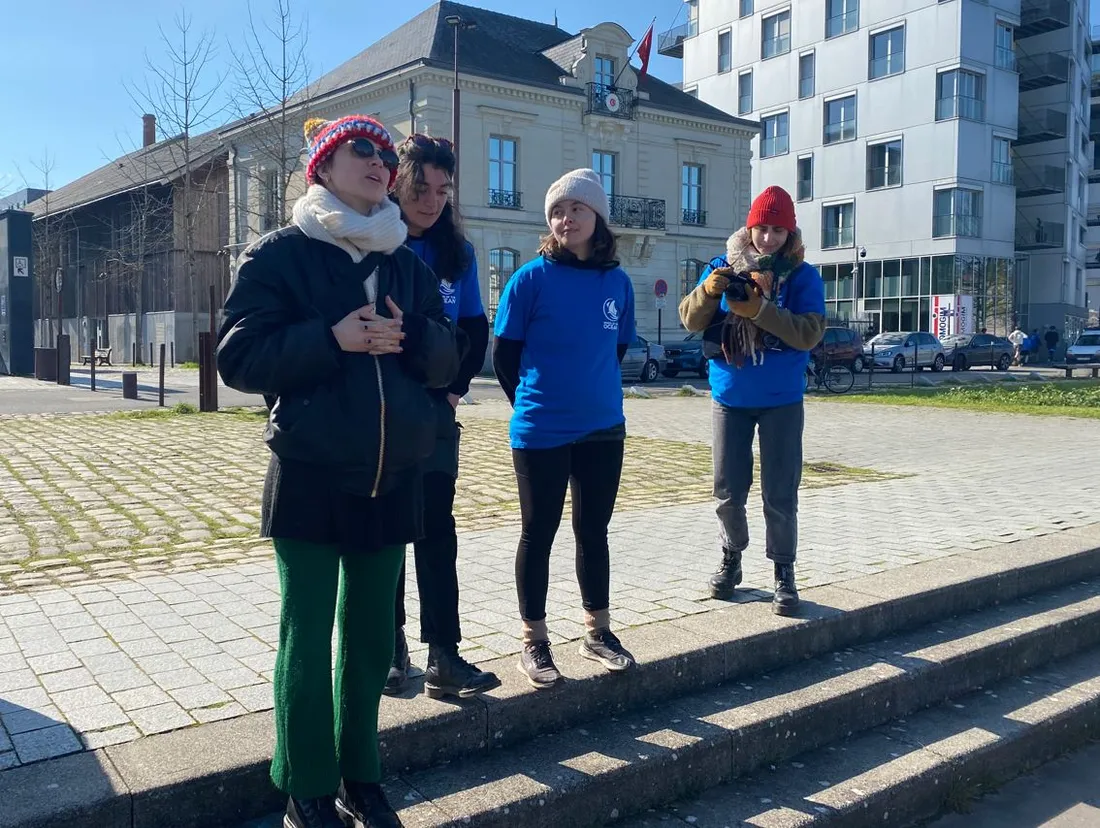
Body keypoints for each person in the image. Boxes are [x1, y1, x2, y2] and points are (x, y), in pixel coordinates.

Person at [217, 115, 462, 828]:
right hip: (310, 477)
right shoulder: (280, 256)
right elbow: (239, 357)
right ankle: (306, 786)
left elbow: (449, 358)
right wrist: (333, 339)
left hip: (393, 478)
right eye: (363, 149)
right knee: (307, 635)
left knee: (368, 648)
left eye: (388, 153)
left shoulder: (410, 264)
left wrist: (413, 337)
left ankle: (363, 777)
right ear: (322, 166)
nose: (381, 161)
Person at [493, 168, 637, 689]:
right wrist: (537, 403)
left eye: (576, 208)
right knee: (539, 532)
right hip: (541, 430)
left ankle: (597, 631)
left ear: (597, 217)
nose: (565, 218)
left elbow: (616, 349)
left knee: (592, 531)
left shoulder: (616, 283)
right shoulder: (529, 278)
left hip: (603, 428)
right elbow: (505, 356)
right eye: (557, 210)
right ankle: (534, 640)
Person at [384, 133, 500, 700]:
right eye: (420, 187)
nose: (432, 201)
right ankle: (390, 646)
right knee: (387, 532)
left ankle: (444, 656)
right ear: (396, 183)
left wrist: (453, 395)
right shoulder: (377, 242)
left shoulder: (458, 253)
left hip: (434, 418)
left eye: (443, 190)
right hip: (381, 416)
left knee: (436, 533)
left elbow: (475, 329)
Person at [679, 186, 825, 617]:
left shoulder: (802, 276)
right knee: (727, 490)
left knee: (780, 491)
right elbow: (689, 318)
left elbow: (808, 334)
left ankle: (784, 573)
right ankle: (732, 558)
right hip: (730, 397)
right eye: (762, 228)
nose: (768, 238)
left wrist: (759, 310)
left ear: (790, 231)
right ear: (749, 227)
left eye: (778, 230)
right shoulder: (723, 266)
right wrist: (708, 291)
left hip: (782, 398)